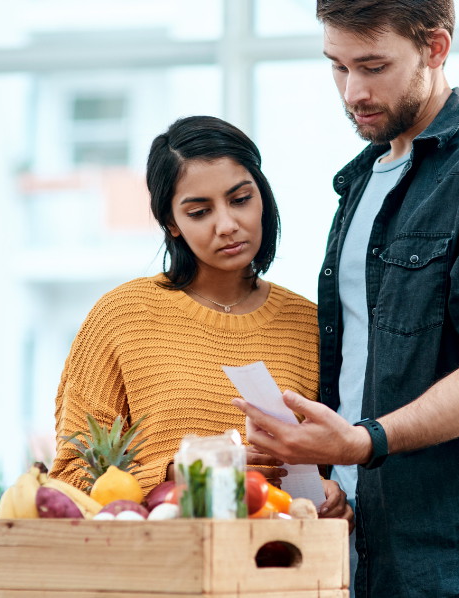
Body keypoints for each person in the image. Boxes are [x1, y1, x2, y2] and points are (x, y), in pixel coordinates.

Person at [233, 2, 459, 597]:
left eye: (373, 66)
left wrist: (365, 440)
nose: (353, 91)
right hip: (379, 550)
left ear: (435, 48)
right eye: (338, 67)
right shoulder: (362, 181)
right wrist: (334, 477)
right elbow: (363, 375)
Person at [50, 115, 352, 526]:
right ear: (171, 222)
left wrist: (335, 495)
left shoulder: (311, 325)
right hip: (162, 571)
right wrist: (183, 474)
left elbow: (340, 460)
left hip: (278, 572)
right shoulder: (121, 317)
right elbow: (69, 480)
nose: (227, 225)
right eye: (199, 211)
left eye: (241, 199)